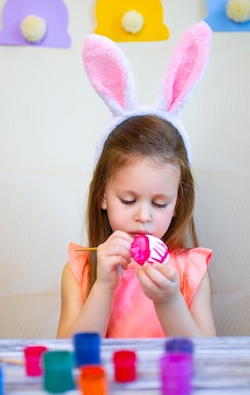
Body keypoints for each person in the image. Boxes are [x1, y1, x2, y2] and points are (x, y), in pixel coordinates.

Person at [57, 22, 216, 338]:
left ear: (176, 205)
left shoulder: (189, 271)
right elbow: (67, 353)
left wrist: (169, 300)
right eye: (128, 200)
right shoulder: (82, 269)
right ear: (103, 195)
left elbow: (207, 355)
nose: (143, 216)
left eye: (159, 203)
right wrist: (104, 284)